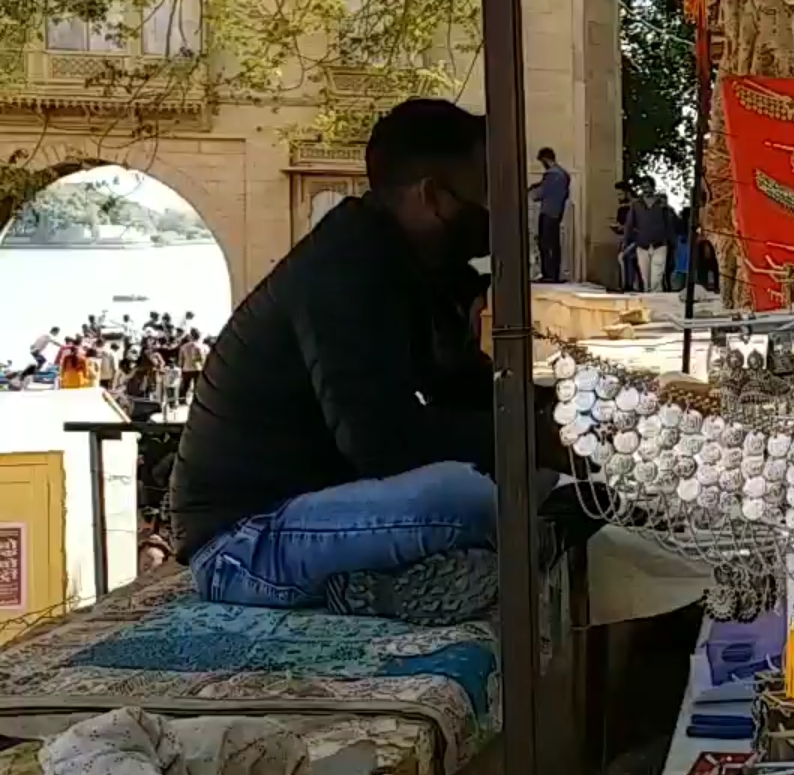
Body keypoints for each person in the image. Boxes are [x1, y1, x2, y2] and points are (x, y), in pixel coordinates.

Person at [170, 99, 567, 616]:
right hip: (245, 542)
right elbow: (382, 442)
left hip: (324, 509)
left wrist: (558, 411)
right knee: (464, 495)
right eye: (488, 195)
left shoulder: (412, 264)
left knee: (524, 482)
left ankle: (422, 569)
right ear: (432, 196)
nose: (498, 216)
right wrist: (534, 437)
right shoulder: (345, 270)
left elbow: (460, 389)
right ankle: (361, 588)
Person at [625, 176, 676, 293]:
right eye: (643, 187)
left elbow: (670, 225)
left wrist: (672, 243)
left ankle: (657, 304)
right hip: (642, 245)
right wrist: (626, 242)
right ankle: (649, 303)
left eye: (647, 187)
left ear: (653, 187)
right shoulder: (636, 205)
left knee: (656, 280)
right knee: (645, 279)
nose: (645, 190)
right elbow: (629, 225)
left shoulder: (661, 204)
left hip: (660, 245)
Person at [529, 146, 571, 283]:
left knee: (545, 244)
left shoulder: (551, 174)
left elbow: (542, 192)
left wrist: (532, 193)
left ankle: (548, 274)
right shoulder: (563, 175)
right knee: (554, 244)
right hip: (557, 212)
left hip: (547, 211)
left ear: (546, 159)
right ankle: (555, 273)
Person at [178, 330, 206, 400]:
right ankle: (197, 400)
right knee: (198, 386)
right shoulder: (202, 347)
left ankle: (182, 399)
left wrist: (181, 367)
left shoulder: (183, 347)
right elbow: (202, 359)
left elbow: (181, 360)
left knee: (185, 386)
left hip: (186, 368)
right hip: (197, 368)